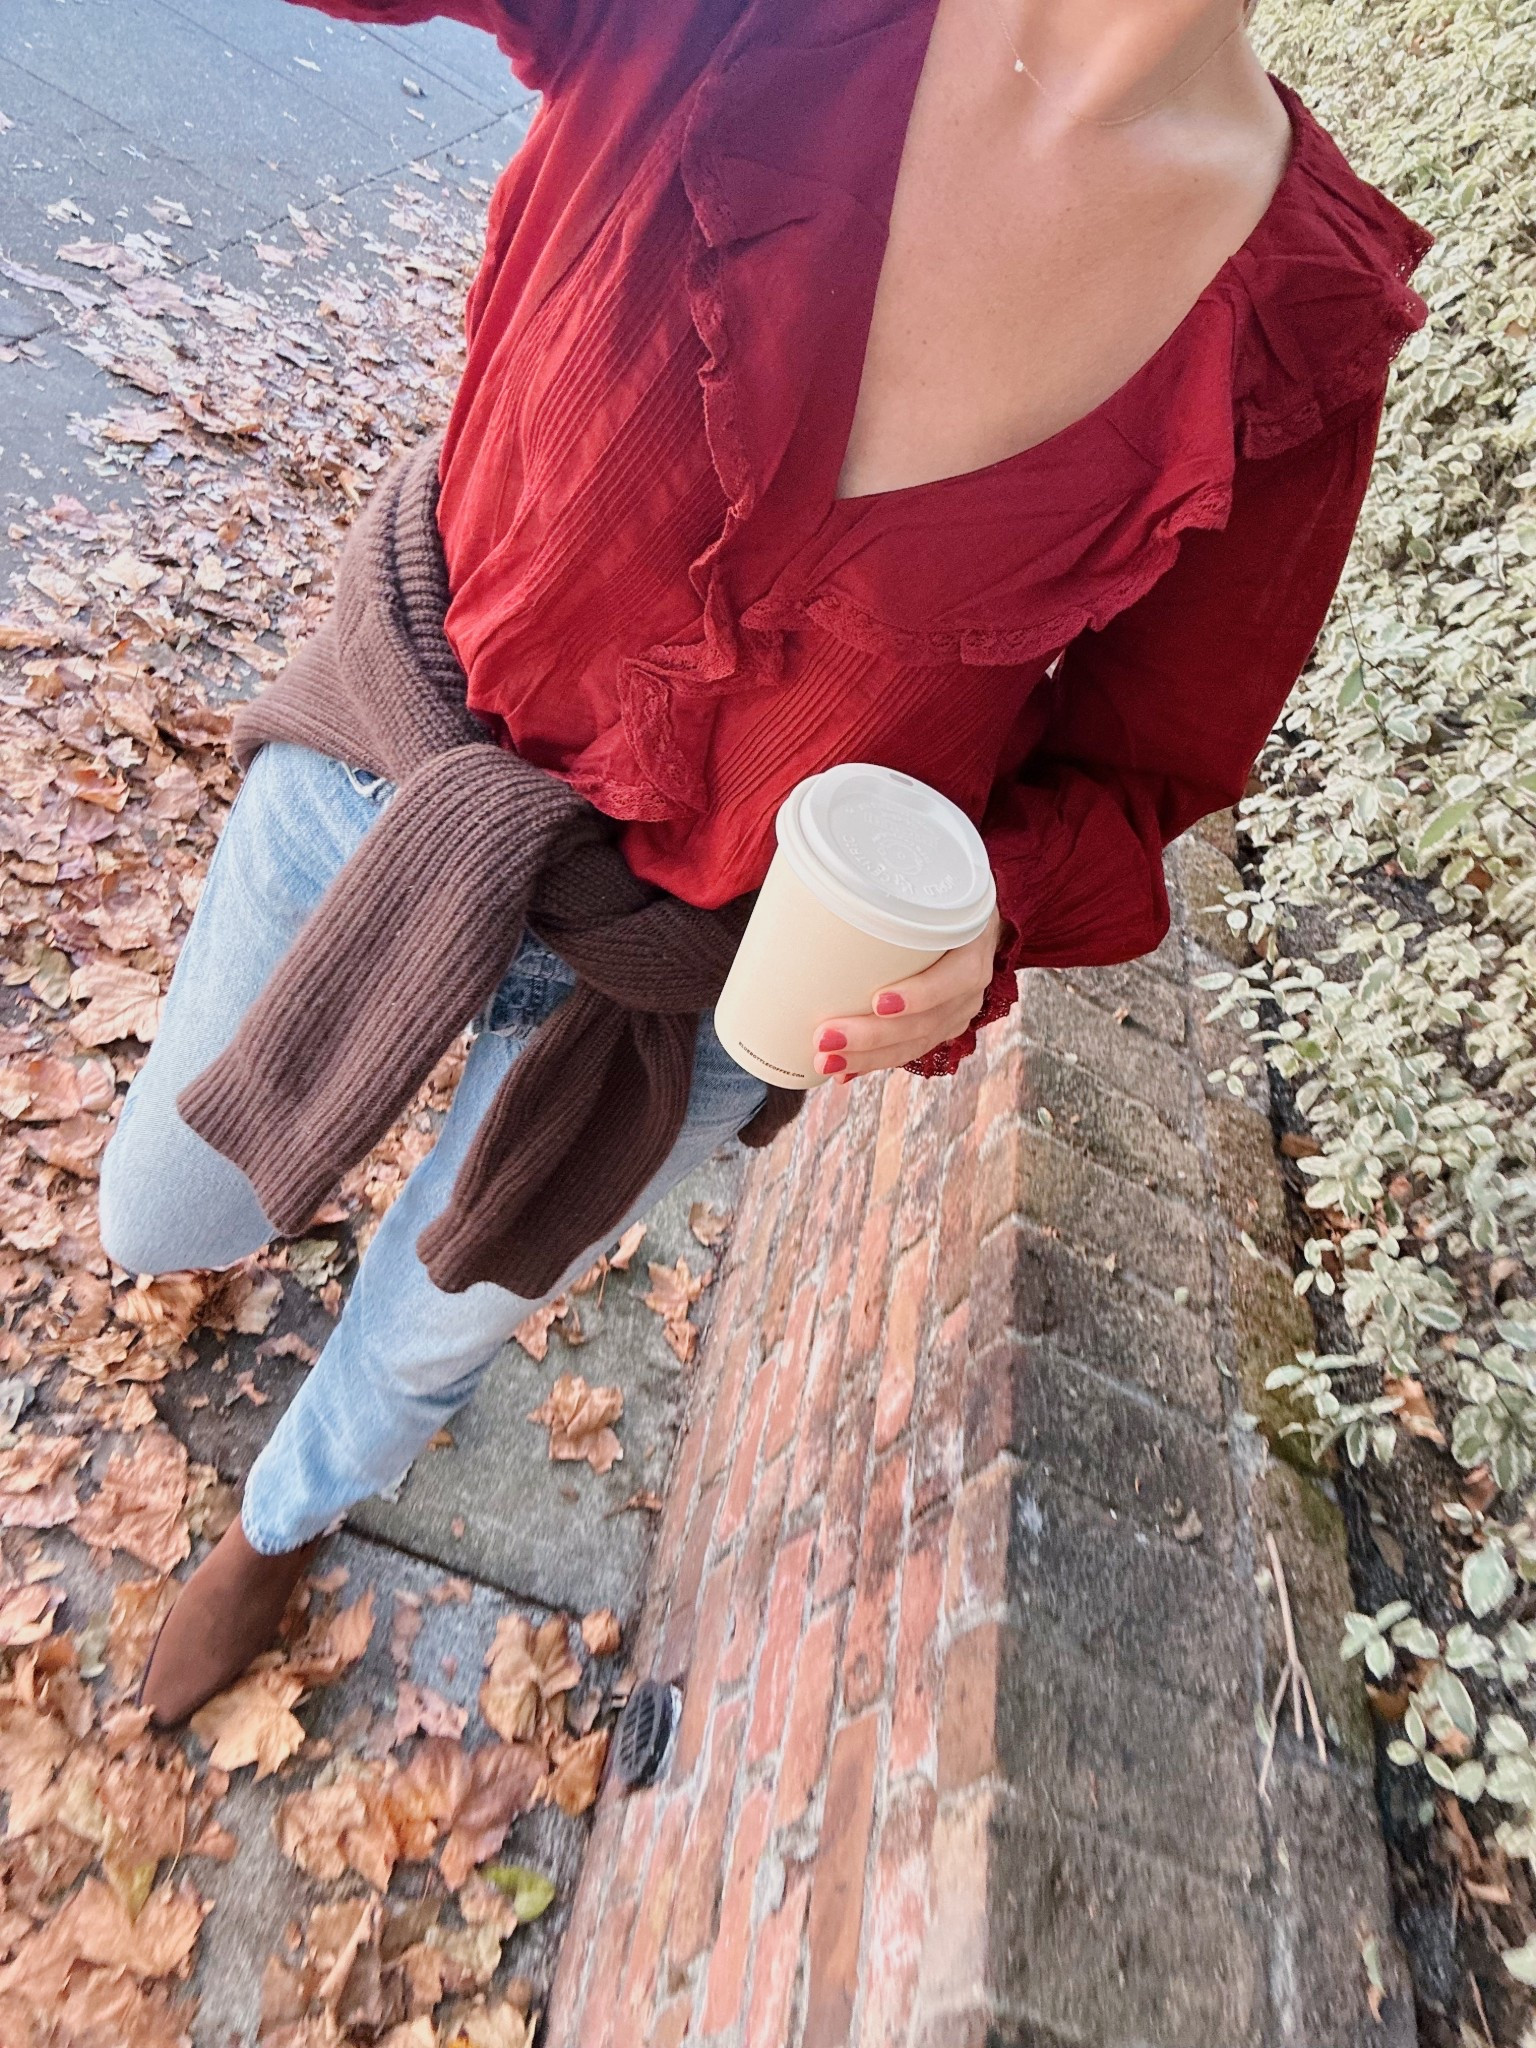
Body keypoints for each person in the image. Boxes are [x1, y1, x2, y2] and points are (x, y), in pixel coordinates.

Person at [97, 0, 1432, 1726]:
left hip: (689, 984)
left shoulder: (1293, 323)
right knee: (165, 1213)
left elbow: (1136, 777)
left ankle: (282, 1525)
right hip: (386, 784)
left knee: (432, 1328)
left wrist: (971, 920)